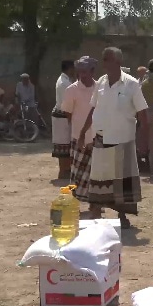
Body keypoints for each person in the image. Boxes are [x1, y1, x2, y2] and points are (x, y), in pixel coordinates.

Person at [79, 48, 148, 229]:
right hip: (101, 137)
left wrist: (144, 141)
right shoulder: (101, 82)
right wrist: (82, 132)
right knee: (99, 177)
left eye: (108, 59)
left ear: (118, 62)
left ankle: (122, 216)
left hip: (122, 139)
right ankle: (95, 212)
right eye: (103, 59)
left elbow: (142, 113)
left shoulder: (131, 84)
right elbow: (93, 108)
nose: (104, 63)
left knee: (121, 181)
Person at [60, 57, 99, 215]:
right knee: (77, 173)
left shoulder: (100, 88)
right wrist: (79, 131)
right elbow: (68, 113)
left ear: (92, 71)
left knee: (96, 174)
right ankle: (75, 204)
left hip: (97, 137)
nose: (82, 74)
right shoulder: (71, 90)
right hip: (79, 138)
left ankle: (95, 205)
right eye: (80, 71)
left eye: (85, 71)